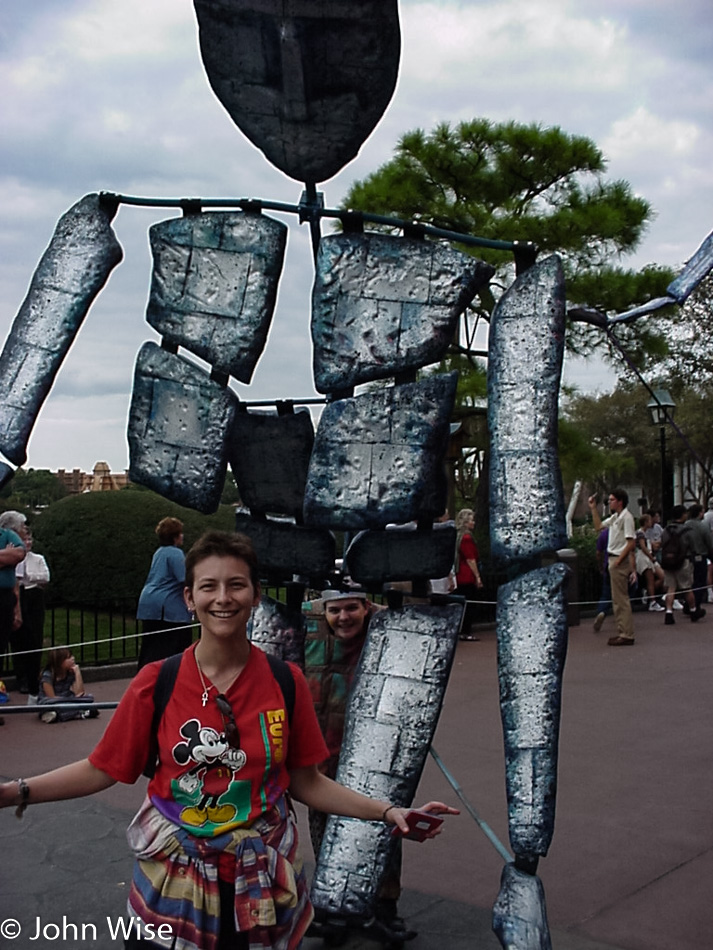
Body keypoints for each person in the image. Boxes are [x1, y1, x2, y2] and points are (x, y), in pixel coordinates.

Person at [0, 531, 457, 950]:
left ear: (256, 595)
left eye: (236, 585)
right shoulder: (156, 681)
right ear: (189, 597)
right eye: (208, 586)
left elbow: (307, 782)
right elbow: (102, 768)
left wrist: (387, 811)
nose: (223, 598)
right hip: (172, 884)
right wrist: (16, 791)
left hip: (261, 886)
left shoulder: (285, 681)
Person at [303, 590, 412, 941]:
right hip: (324, 749)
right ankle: (334, 905)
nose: (344, 617)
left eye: (352, 607)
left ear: (366, 607)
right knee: (324, 826)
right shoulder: (311, 634)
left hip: (373, 750)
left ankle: (384, 905)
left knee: (383, 823)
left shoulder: (384, 633)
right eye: (335, 610)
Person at [136, 517, 194, 669]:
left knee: (150, 647)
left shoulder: (159, 553)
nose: (182, 536)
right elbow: (185, 578)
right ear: (175, 536)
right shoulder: (175, 553)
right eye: (180, 534)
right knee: (173, 648)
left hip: (149, 604)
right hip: (167, 608)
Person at [588, 490, 637, 646]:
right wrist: (593, 508)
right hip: (613, 559)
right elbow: (598, 526)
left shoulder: (627, 518)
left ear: (620, 501)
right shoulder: (616, 517)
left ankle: (626, 633)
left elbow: (631, 542)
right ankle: (623, 631)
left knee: (621, 599)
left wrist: (618, 561)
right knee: (617, 599)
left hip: (617, 560)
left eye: (612, 500)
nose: (610, 502)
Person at [660, 505, 704, 625]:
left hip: (668, 561)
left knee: (671, 588)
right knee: (687, 587)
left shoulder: (666, 530)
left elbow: (662, 544)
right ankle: (693, 610)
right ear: (683, 515)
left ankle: (668, 613)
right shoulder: (687, 531)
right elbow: (694, 547)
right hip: (683, 561)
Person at [37, 647, 99, 722]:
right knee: (49, 705)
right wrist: (70, 701)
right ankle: (79, 712)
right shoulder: (47, 675)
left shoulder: (70, 673)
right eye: (69, 657)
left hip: (67, 699)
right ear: (59, 662)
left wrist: (77, 672)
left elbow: (80, 693)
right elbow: (51, 698)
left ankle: (60, 716)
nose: (73, 658)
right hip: (52, 702)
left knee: (89, 698)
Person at [454, 508, 483, 640]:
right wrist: (477, 576)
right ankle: (465, 631)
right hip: (466, 574)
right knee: (469, 603)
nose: (474, 522)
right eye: (471, 520)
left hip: (460, 574)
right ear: (466, 522)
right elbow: (470, 559)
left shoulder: (458, 535)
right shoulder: (466, 537)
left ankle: (462, 630)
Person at [634, 514, 665, 611]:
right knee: (650, 579)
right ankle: (652, 601)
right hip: (644, 559)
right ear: (646, 522)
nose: (651, 522)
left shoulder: (645, 533)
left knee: (662, 576)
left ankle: (648, 593)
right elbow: (643, 547)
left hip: (648, 557)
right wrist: (651, 557)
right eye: (649, 520)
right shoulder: (640, 533)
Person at [686, 504, 713, 611]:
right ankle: (695, 604)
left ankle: (688, 604)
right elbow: (710, 543)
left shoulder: (685, 525)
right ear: (699, 513)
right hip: (700, 556)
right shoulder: (703, 527)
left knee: (689, 583)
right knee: (699, 582)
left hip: (687, 558)